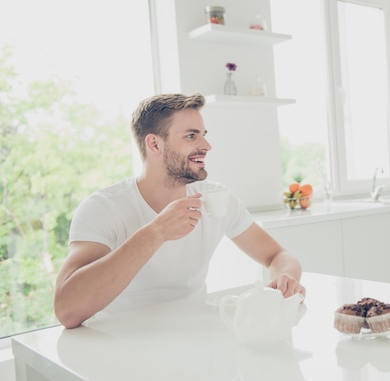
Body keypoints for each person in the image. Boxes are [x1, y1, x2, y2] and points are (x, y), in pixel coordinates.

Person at [54, 93, 306, 328]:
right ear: (154, 144)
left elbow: (277, 255)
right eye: (191, 136)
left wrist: (286, 278)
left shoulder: (216, 198)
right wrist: (155, 233)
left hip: (193, 336)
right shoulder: (104, 208)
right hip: (123, 341)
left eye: (204, 134)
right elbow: (67, 310)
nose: (206, 145)